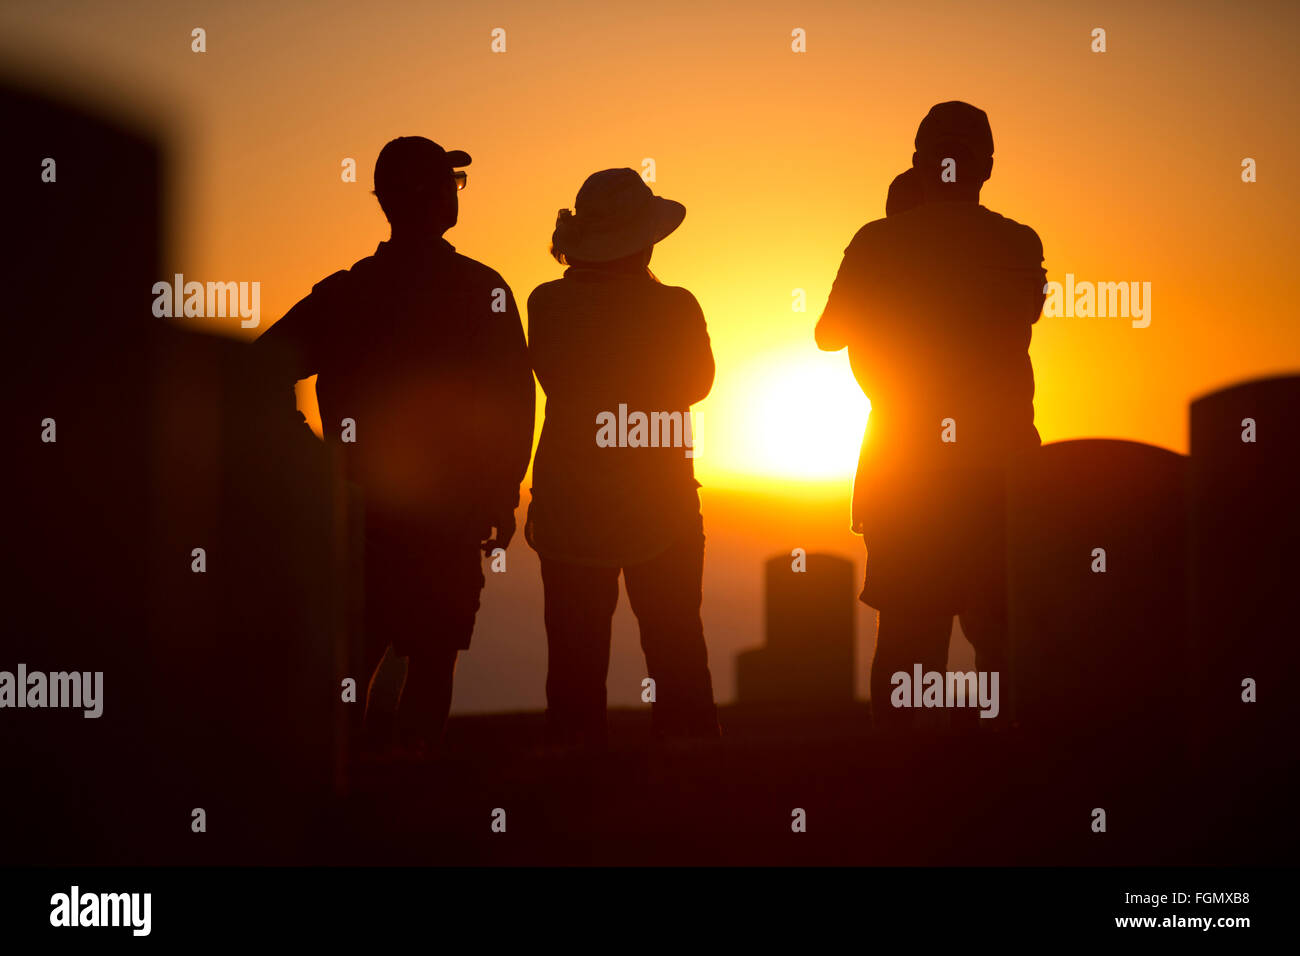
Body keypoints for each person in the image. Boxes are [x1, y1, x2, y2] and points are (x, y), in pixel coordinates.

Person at [255, 136, 535, 753]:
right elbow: (516, 402)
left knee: (352, 661)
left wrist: (310, 460)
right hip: (449, 514)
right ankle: (408, 795)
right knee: (433, 660)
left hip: (360, 511)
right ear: (434, 198)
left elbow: (259, 370)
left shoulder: (346, 294)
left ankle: (344, 798)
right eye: (449, 184)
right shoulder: (481, 290)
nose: (454, 194)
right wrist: (499, 493)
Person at [816, 103, 1047, 729]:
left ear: (918, 163)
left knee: (909, 640)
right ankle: (1012, 778)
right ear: (989, 166)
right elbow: (1026, 313)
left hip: (906, 468)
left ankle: (899, 785)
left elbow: (828, 333)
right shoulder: (1020, 242)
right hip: (1002, 469)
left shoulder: (875, 242)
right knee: (1003, 636)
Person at [525, 168, 719, 749]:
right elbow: (698, 383)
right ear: (646, 239)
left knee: (575, 661)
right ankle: (693, 784)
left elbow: (553, 376)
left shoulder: (547, 303)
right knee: (677, 649)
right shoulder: (676, 307)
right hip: (660, 503)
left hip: (569, 505)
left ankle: (576, 789)